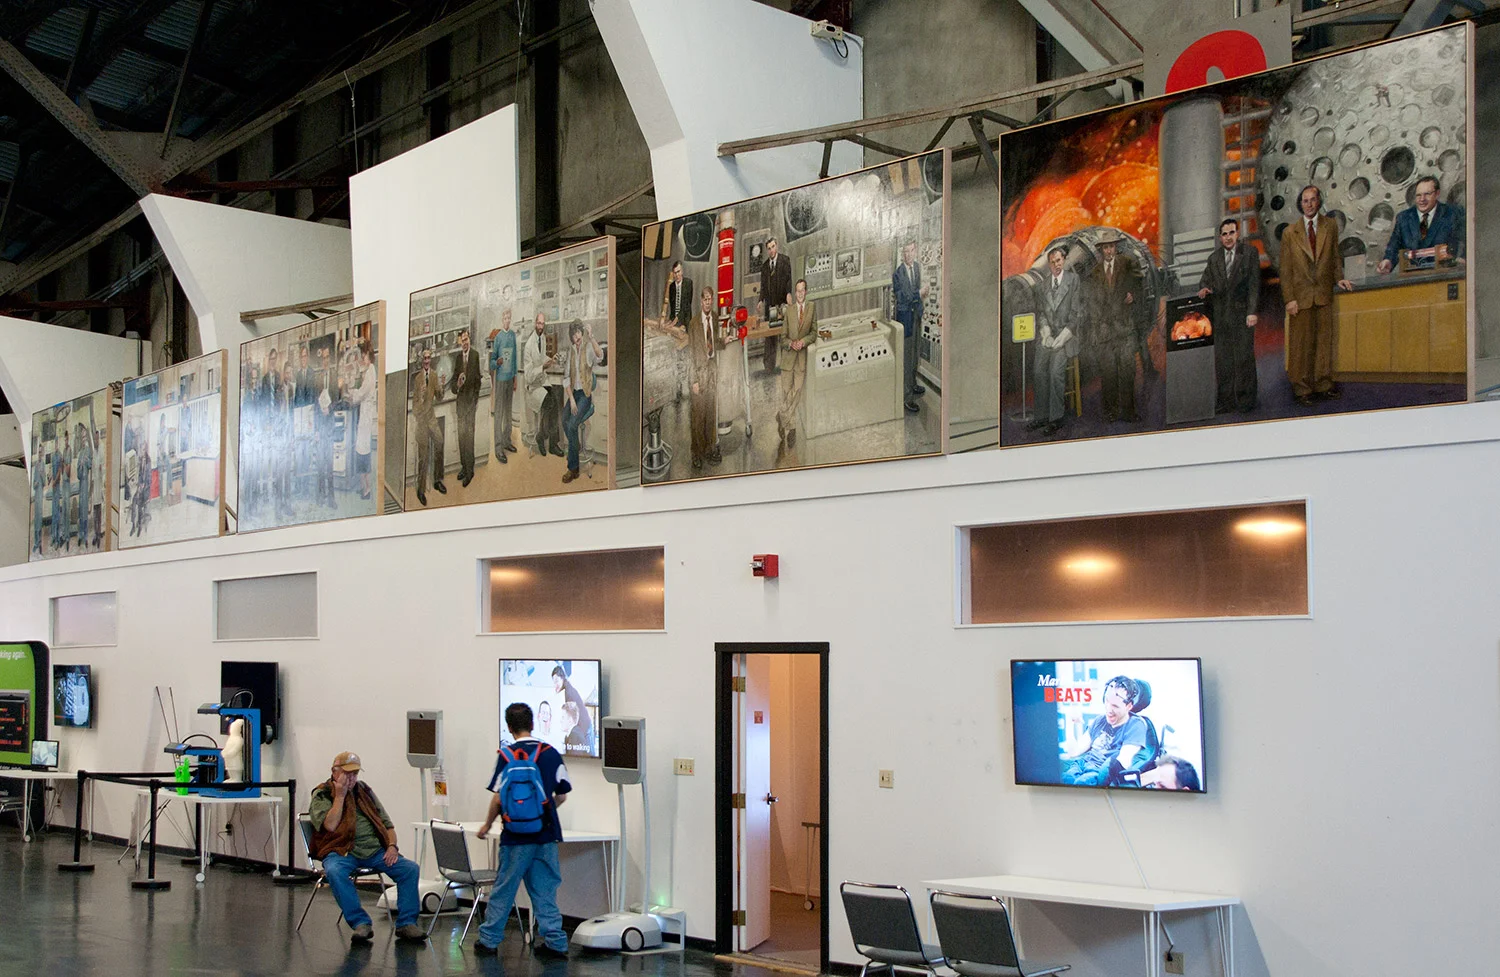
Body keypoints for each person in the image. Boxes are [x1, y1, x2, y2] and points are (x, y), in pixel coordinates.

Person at [474, 703, 573, 958]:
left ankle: (489, 940)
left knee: (504, 888)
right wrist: (543, 814)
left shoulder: (506, 755)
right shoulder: (550, 753)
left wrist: (487, 825)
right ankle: (556, 942)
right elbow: (561, 796)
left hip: (515, 838)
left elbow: (498, 798)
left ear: (509, 727)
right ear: (533, 724)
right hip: (546, 834)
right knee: (545, 890)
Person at [308, 751, 427, 944]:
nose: (351, 778)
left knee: (409, 869)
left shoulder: (365, 791)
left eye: (355, 773)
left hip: (374, 851)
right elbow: (329, 825)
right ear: (334, 772)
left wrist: (392, 846)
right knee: (335, 871)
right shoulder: (322, 794)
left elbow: (387, 824)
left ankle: (406, 923)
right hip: (341, 851)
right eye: (347, 773)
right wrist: (340, 796)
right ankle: (360, 923)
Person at [1279, 185, 1354, 405]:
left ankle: (1323, 384)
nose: (1309, 204)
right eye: (1305, 200)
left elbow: (1334, 257)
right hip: (1299, 297)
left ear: (1319, 202)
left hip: (1322, 294)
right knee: (1300, 345)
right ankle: (1302, 389)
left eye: (1313, 200)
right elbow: (1285, 270)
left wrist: (1338, 277)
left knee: (1323, 343)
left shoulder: (1329, 226)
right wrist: (1289, 299)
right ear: (1300, 204)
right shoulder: (1289, 233)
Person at [1198, 218, 1262, 414]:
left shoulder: (1249, 253)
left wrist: (1252, 312)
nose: (1228, 237)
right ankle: (1225, 401)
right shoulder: (1214, 258)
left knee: (1244, 359)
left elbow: (1254, 285)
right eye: (1224, 234)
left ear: (1237, 234)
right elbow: (1204, 282)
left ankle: (1246, 401)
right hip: (1221, 316)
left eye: (1231, 233)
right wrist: (1204, 290)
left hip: (1243, 315)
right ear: (1220, 237)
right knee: (1223, 361)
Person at [1086, 233, 1141, 423]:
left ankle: (1129, 412)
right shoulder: (1094, 273)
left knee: (1127, 371)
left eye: (1111, 247)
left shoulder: (1127, 263)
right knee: (1108, 373)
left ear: (1116, 247)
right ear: (1101, 250)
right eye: (1105, 248)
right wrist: (1096, 329)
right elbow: (1092, 303)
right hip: (1104, 331)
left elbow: (1139, 284)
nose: (1108, 251)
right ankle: (1111, 412)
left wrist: (1133, 295)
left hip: (1125, 329)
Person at [1029, 246, 1081, 436]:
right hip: (1049, 336)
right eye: (1052, 262)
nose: (1056, 265)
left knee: (1054, 372)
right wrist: (1045, 333)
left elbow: (1076, 315)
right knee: (1038, 369)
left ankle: (1056, 418)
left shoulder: (1074, 280)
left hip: (1067, 336)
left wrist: (1061, 338)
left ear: (1064, 260)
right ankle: (1041, 416)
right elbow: (1042, 314)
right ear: (1048, 264)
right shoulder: (1043, 286)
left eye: (1059, 260)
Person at [1060, 676, 1148, 786]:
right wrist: (1070, 722)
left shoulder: (1136, 725)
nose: (1108, 709)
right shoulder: (1100, 720)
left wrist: (1105, 774)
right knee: (1065, 779)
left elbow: (1124, 760)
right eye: (1106, 701)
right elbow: (1074, 752)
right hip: (1081, 765)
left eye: (1115, 706)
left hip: (1099, 771)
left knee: (1081, 783)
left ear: (1129, 706)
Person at [1378, 174, 1465, 273]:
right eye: (1418, 195)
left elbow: (1469, 240)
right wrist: (1388, 260)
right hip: (1413, 280)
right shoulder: (1403, 218)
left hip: (1445, 276)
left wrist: (1463, 258)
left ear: (1437, 194)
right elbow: (1394, 246)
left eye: (1427, 194)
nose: (1422, 199)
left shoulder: (1453, 213)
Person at [684, 286, 722, 470]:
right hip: (699, 374)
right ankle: (696, 453)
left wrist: (725, 341)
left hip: (712, 372)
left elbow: (714, 342)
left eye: (710, 299)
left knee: (710, 413)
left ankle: (708, 448)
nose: (708, 302)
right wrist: (693, 381)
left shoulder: (714, 318)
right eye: (705, 299)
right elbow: (690, 354)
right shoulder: (693, 324)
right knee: (697, 417)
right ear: (701, 301)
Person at [560, 320, 602, 484]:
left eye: (578, 333)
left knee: (571, 426)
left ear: (581, 333)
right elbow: (565, 379)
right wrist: (571, 400)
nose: (576, 336)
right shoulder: (570, 352)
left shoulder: (588, 348)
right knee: (564, 419)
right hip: (574, 395)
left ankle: (573, 468)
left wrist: (592, 338)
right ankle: (575, 446)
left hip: (585, 395)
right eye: (573, 334)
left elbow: (600, 356)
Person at [778, 278, 817, 448]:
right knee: (787, 393)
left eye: (802, 291)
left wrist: (803, 342)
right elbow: (782, 338)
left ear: (806, 292)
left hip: (801, 359)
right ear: (795, 293)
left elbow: (814, 332)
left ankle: (786, 422)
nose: (800, 294)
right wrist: (790, 343)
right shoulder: (789, 311)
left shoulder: (812, 308)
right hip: (788, 359)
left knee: (797, 392)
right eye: (797, 291)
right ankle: (789, 423)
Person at [892, 240, 929, 413]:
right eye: (905, 252)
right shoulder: (898, 273)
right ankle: (906, 397)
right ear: (902, 253)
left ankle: (913, 385)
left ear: (915, 251)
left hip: (916, 316)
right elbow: (905, 297)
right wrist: (919, 294)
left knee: (915, 353)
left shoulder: (917, 268)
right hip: (905, 319)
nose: (908, 254)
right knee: (906, 358)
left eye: (911, 251)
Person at [411, 348, 446, 507]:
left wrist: (442, 386)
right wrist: (422, 396)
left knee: (439, 442)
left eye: (428, 358)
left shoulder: (433, 375)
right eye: (424, 358)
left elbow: (439, 397)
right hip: (421, 422)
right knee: (423, 457)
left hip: (431, 419)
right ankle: (420, 490)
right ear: (421, 361)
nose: (426, 361)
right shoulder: (417, 379)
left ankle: (438, 480)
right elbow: (415, 407)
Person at [449, 329, 482, 486]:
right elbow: (453, 387)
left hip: (470, 405)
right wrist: (458, 384)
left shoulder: (475, 356)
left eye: (466, 339)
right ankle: (464, 467)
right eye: (462, 340)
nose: (465, 342)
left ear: (469, 339)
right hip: (461, 405)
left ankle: (470, 471)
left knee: (469, 438)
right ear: (459, 342)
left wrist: (475, 401)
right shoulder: (457, 359)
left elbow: (478, 381)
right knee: (462, 438)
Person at [522, 312, 556, 458]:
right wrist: (542, 367)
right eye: (539, 323)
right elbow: (528, 376)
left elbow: (541, 357)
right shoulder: (529, 345)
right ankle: (541, 437)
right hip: (533, 386)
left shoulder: (541, 338)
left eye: (543, 324)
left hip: (542, 381)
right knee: (548, 402)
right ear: (535, 323)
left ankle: (553, 444)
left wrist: (551, 358)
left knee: (554, 400)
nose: (541, 326)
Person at [348, 341, 378, 500]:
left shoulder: (371, 370)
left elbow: (363, 392)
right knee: (360, 451)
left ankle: (367, 489)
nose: (362, 359)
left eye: (363, 356)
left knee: (364, 452)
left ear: (369, 355)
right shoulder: (366, 370)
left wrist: (352, 394)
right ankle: (363, 487)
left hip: (366, 416)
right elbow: (357, 374)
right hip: (363, 414)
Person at [759, 237, 793, 373]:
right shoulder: (765, 267)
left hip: (783, 302)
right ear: (767, 250)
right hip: (770, 305)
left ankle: (788, 363)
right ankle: (769, 366)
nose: (772, 250)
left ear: (776, 246)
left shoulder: (785, 261)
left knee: (784, 334)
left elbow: (789, 280)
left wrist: (789, 293)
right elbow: (763, 287)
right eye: (769, 248)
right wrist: (760, 300)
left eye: (773, 247)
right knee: (770, 336)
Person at [490, 307, 518, 464]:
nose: (507, 320)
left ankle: (507, 441)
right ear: (502, 319)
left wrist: (515, 378)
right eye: (505, 318)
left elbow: (514, 358)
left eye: (509, 318)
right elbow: (492, 362)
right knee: (499, 413)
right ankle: (498, 448)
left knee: (508, 412)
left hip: (509, 379)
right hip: (500, 380)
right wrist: (497, 362)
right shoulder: (498, 337)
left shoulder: (513, 335)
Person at [551, 664, 593, 750]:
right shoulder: (567, 689)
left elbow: (573, 715)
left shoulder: (569, 692)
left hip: (585, 731)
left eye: (556, 681)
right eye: (553, 682)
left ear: (562, 678)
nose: (555, 685)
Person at [74, 424, 93, 548]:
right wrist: (80, 466)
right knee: (81, 511)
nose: (84, 439)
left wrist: (86, 462)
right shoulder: (80, 452)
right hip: (81, 484)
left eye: (85, 436)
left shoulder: (88, 451)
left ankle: (85, 536)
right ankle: (80, 536)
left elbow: (91, 464)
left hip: (87, 484)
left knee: (85, 511)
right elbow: (78, 474)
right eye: (82, 437)